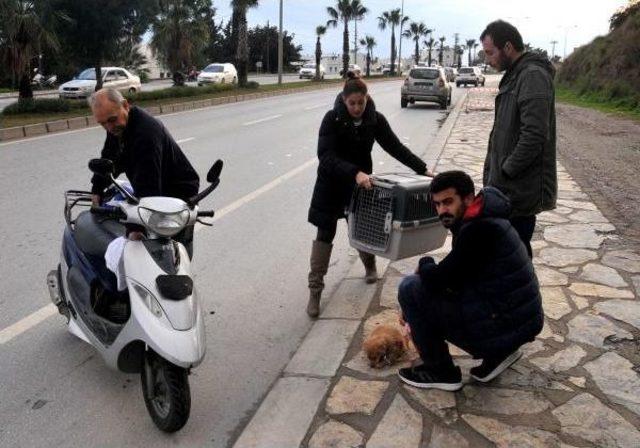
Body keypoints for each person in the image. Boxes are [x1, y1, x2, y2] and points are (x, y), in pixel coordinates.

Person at [397, 171, 543, 391]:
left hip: (506, 324)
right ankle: (501, 352)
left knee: (409, 288)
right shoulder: (486, 216)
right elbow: (458, 271)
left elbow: (441, 280)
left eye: (448, 202)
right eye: (437, 204)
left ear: (467, 198)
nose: (441, 211)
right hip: (519, 322)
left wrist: (425, 263)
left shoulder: (479, 230)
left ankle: (441, 371)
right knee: (428, 286)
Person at [307, 72, 434, 318]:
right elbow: (326, 157)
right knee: (325, 234)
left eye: (360, 103)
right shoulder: (331, 119)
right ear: (344, 100)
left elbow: (395, 147)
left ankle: (369, 265)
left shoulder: (374, 119)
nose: (356, 108)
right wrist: (354, 172)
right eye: (352, 103)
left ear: (367, 99)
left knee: (363, 228)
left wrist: (423, 169)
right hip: (331, 185)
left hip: (361, 186)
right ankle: (315, 291)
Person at [88, 88, 200, 255]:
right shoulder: (118, 126)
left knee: (168, 256)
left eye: (111, 120)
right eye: (102, 123)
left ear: (125, 105)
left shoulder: (146, 132)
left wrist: (136, 227)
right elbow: (110, 158)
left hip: (177, 196)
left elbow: (148, 183)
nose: (108, 127)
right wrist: (97, 188)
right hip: (154, 189)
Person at [480, 20, 557, 258]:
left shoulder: (532, 75)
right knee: (508, 256)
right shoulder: (516, 75)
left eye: (490, 52)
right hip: (506, 187)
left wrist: (506, 170)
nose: (488, 59)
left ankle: (523, 296)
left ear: (509, 47)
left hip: (518, 190)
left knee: (515, 257)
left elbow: (534, 135)